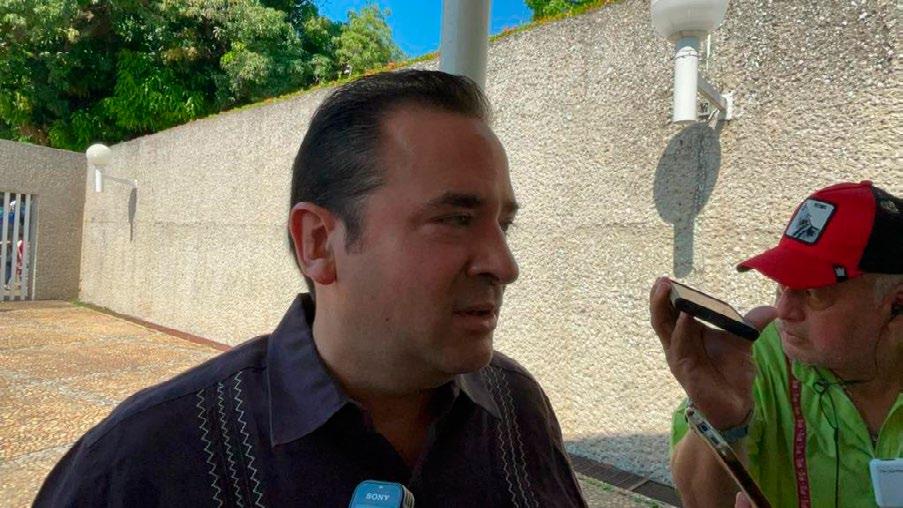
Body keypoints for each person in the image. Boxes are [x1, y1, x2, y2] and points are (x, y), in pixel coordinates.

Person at [35, 70, 587, 507]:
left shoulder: (518, 407)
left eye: (503, 225)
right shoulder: (141, 460)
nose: (504, 264)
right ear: (319, 242)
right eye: (455, 219)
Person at [650, 181, 903, 507]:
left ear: (896, 305)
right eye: (781, 286)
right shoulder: (755, 359)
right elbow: (702, 503)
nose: (783, 310)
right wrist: (721, 420)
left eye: (813, 292)